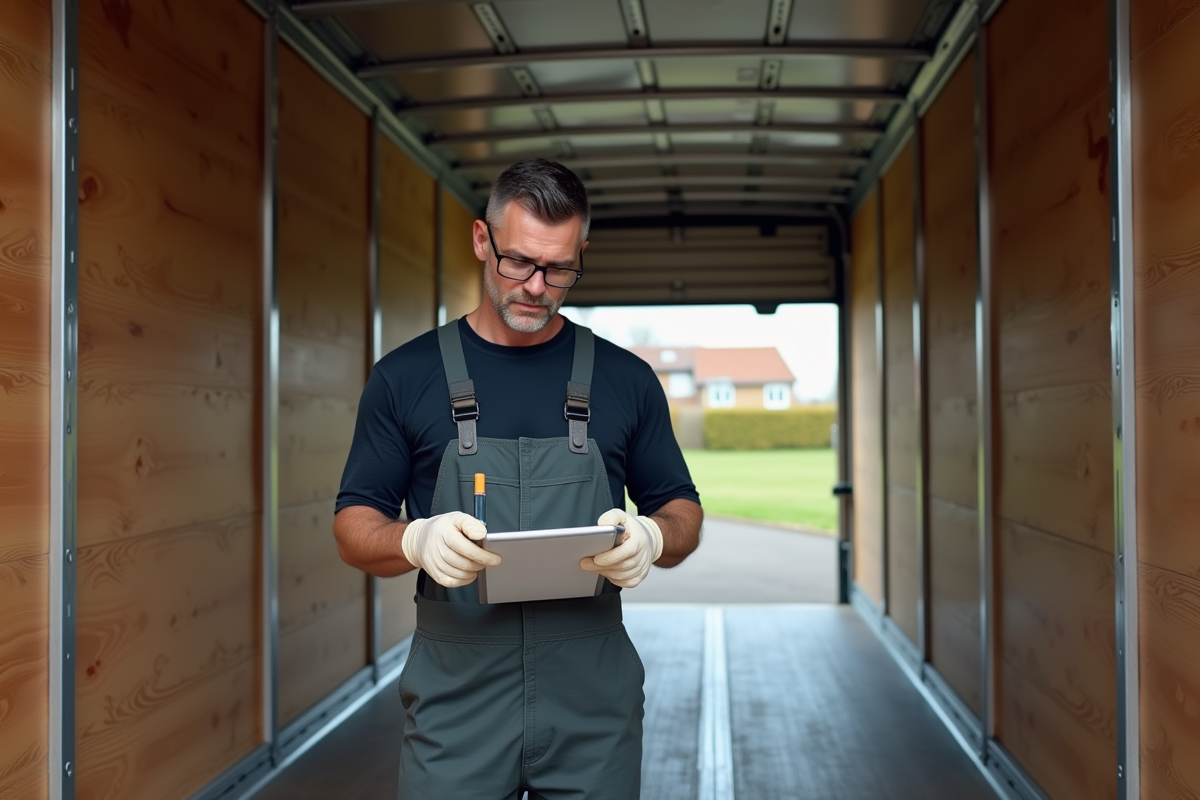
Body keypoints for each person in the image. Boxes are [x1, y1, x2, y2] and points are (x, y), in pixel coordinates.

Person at [333, 158, 704, 800]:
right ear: (482, 240)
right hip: (457, 703)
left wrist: (653, 536)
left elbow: (683, 512)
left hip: (593, 701)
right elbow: (352, 525)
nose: (536, 286)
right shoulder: (404, 378)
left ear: (581, 253)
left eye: (559, 268)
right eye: (519, 262)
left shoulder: (626, 380)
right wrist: (413, 540)